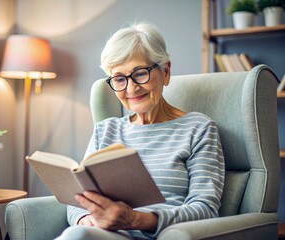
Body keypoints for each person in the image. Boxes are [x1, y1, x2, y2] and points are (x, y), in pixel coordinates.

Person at [56, 22, 225, 240]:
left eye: (140, 73)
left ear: (165, 72)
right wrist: (84, 219)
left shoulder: (198, 129)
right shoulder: (106, 130)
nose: (131, 88)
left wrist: (136, 220)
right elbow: (77, 199)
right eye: (119, 78)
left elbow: (206, 209)